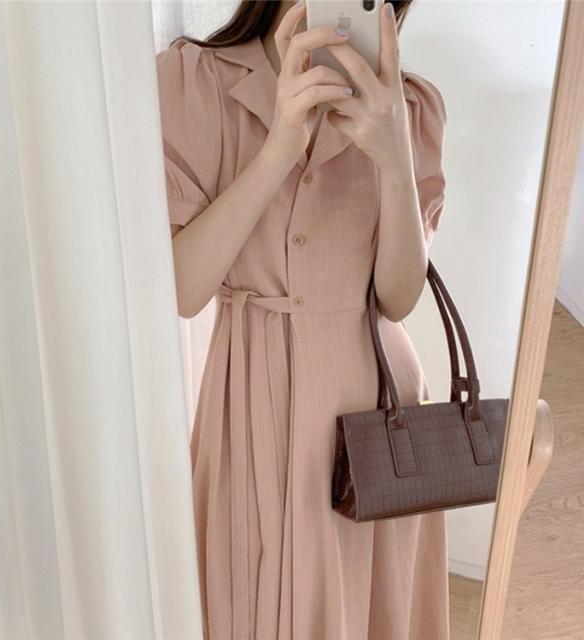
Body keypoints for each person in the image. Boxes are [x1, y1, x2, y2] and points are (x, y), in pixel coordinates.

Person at [156, 0, 449, 637]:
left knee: (362, 601)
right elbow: (181, 290)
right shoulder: (191, 82)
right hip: (250, 397)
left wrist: (395, 161)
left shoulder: (410, 106)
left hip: (377, 404)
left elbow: (398, 300)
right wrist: (278, 149)